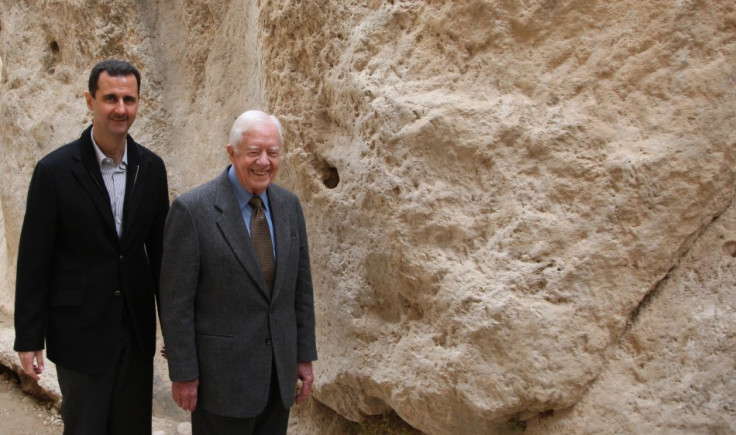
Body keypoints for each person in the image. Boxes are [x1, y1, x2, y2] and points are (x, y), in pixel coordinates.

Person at [13, 59, 170, 434]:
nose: (120, 109)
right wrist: (29, 336)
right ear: (90, 100)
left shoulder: (151, 168)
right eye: (110, 98)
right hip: (78, 330)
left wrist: (177, 334)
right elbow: (35, 259)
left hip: (134, 328)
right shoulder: (54, 171)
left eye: (129, 99)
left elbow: (163, 255)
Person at [159, 110, 317, 434]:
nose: (264, 162)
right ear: (232, 153)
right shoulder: (193, 210)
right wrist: (183, 373)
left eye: (272, 152)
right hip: (220, 385)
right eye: (254, 152)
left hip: (278, 378)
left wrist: (303, 357)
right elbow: (176, 304)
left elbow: (300, 290)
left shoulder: (289, 206)